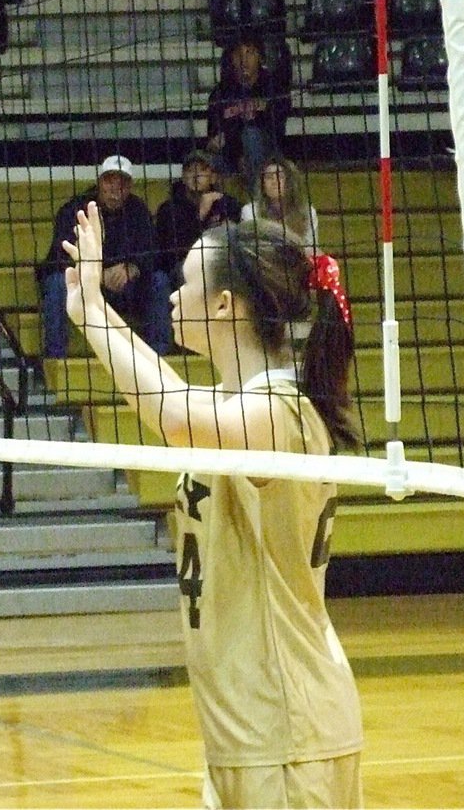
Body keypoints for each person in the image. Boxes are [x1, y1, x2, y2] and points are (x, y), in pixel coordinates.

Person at [62, 206, 363, 808]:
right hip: (246, 727)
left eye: (186, 282)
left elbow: (174, 415)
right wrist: (85, 307)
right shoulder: (237, 403)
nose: (172, 294)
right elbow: (174, 395)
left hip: (287, 727)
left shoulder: (279, 412)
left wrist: (96, 313)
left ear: (225, 305)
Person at [37, 154, 170, 357]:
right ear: (99, 183)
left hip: (124, 288)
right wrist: (96, 274)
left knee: (159, 281)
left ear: (130, 186)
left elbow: (154, 253)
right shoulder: (74, 209)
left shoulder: (138, 210)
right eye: (109, 181)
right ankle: (55, 361)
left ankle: (158, 359)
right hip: (83, 288)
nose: (115, 190)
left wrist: (133, 268)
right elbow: (58, 258)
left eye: (122, 183)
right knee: (56, 283)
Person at [206, 36, 290, 195]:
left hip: (269, 156)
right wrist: (237, 153)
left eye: (250, 53)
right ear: (231, 58)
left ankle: (258, 202)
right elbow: (213, 140)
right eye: (238, 54)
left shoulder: (273, 86)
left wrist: (241, 143)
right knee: (199, 164)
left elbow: (274, 129)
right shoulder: (220, 93)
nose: (244, 60)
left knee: (251, 136)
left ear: (259, 56)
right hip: (231, 157)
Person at [154, 149, 242, 286]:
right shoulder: (168, 209)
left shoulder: (228, 203)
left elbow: (233, 241)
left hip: (220, 264)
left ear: (213, 177)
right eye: (190, 171)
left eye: (202, 170)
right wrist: (200, 215)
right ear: (183, 177)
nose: (196, 175)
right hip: (182, 267)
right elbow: (172, 254)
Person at [242, 155, 320, 255]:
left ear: (290, 182)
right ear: (262, 184)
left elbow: (312, 251)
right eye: (269, 177)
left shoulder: (307, 211)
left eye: (280, 176)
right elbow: (251, 251)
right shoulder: (250, 211)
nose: (274, 181)